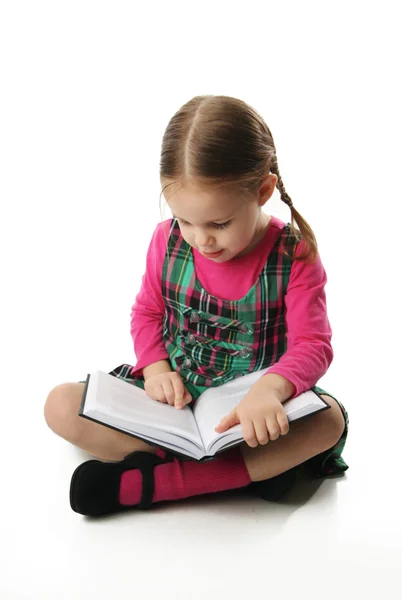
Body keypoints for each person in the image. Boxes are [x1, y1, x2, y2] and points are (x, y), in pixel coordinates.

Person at [44, 95, 349, 517]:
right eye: (185, 220)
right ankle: (243, 473)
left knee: (328, 420)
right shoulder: (165, 242)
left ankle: (157, 482)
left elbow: (313, 344)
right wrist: (155, 367)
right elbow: (147, 313)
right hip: (176, 396)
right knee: (60, 404)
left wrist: (269, 391)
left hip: (249, 407)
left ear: (262, 191)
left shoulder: (293, 255)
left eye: (219, 224)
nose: (200, 239)